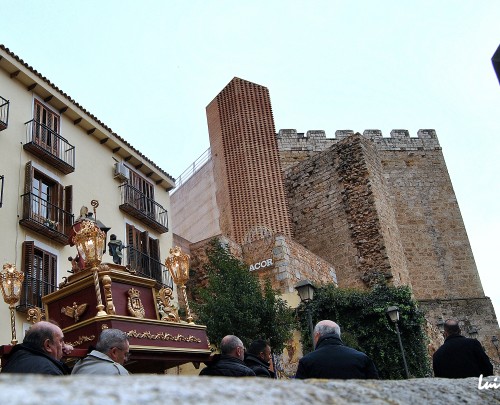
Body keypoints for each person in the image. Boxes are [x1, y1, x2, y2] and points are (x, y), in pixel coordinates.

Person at [295, 320, 379, 379]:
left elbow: (299, 394)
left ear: (317, 335)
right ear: (338, 335)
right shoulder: (362, 358)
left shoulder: (307, 362)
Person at [2, 321, 73, 375]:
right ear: (47, 345)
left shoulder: (13, 359)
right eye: (61, 341)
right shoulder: (50, 372)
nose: (63, 346)